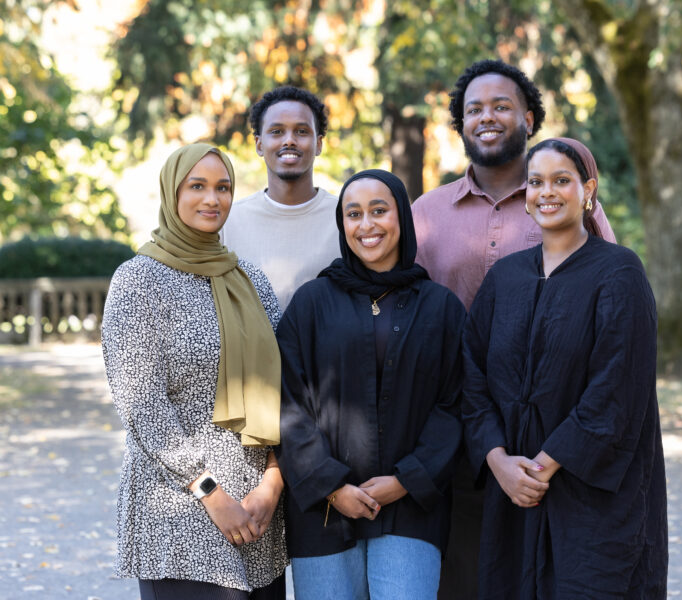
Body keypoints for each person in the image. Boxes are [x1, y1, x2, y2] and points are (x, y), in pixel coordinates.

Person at [411, 59, 617, 599]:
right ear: (459, 125)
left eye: (502, 105)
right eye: (473, 109)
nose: (487, 117)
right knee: (468, 575)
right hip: (457, 429)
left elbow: (609, 307)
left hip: (556, 435)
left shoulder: (562, 200)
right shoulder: (426, 215)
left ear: (529, 116)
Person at [462, 138, 668, 599]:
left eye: (561, 180)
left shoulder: (619, 273)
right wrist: (498, 461)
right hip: (512, 491)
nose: (546, 192)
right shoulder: (505, 277)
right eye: (536, 182)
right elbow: (471, 375)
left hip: (592, 497)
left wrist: (543, 465)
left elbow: (617, 388)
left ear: (587, 190)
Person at [102, 143, 288, 599]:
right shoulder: (138, 280)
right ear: (172, 192)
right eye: (197, 186)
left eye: (223, 187)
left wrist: (273, 483)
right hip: (180, 507)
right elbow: (143, 404)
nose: (212, 199)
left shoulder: (251, 280)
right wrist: (210, 492)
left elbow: (287, 389)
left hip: (259, 510)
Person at [276, 169, 465, 599]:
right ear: (342, 225)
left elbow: (455, 405)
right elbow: (287, 401)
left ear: (402, 217)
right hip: (323, 512)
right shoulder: (311, 303)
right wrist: (331, 485)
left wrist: (407, 480)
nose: (367, 225)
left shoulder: (441, 308)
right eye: (353, 214)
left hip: (412, 508)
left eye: (379, 211)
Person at [220, 85, 339, 310]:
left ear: (319, 144)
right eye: (277, 131)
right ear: (259, 144)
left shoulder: (345, 219)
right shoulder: (229, 221)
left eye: (302, 131)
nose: (289, 141)